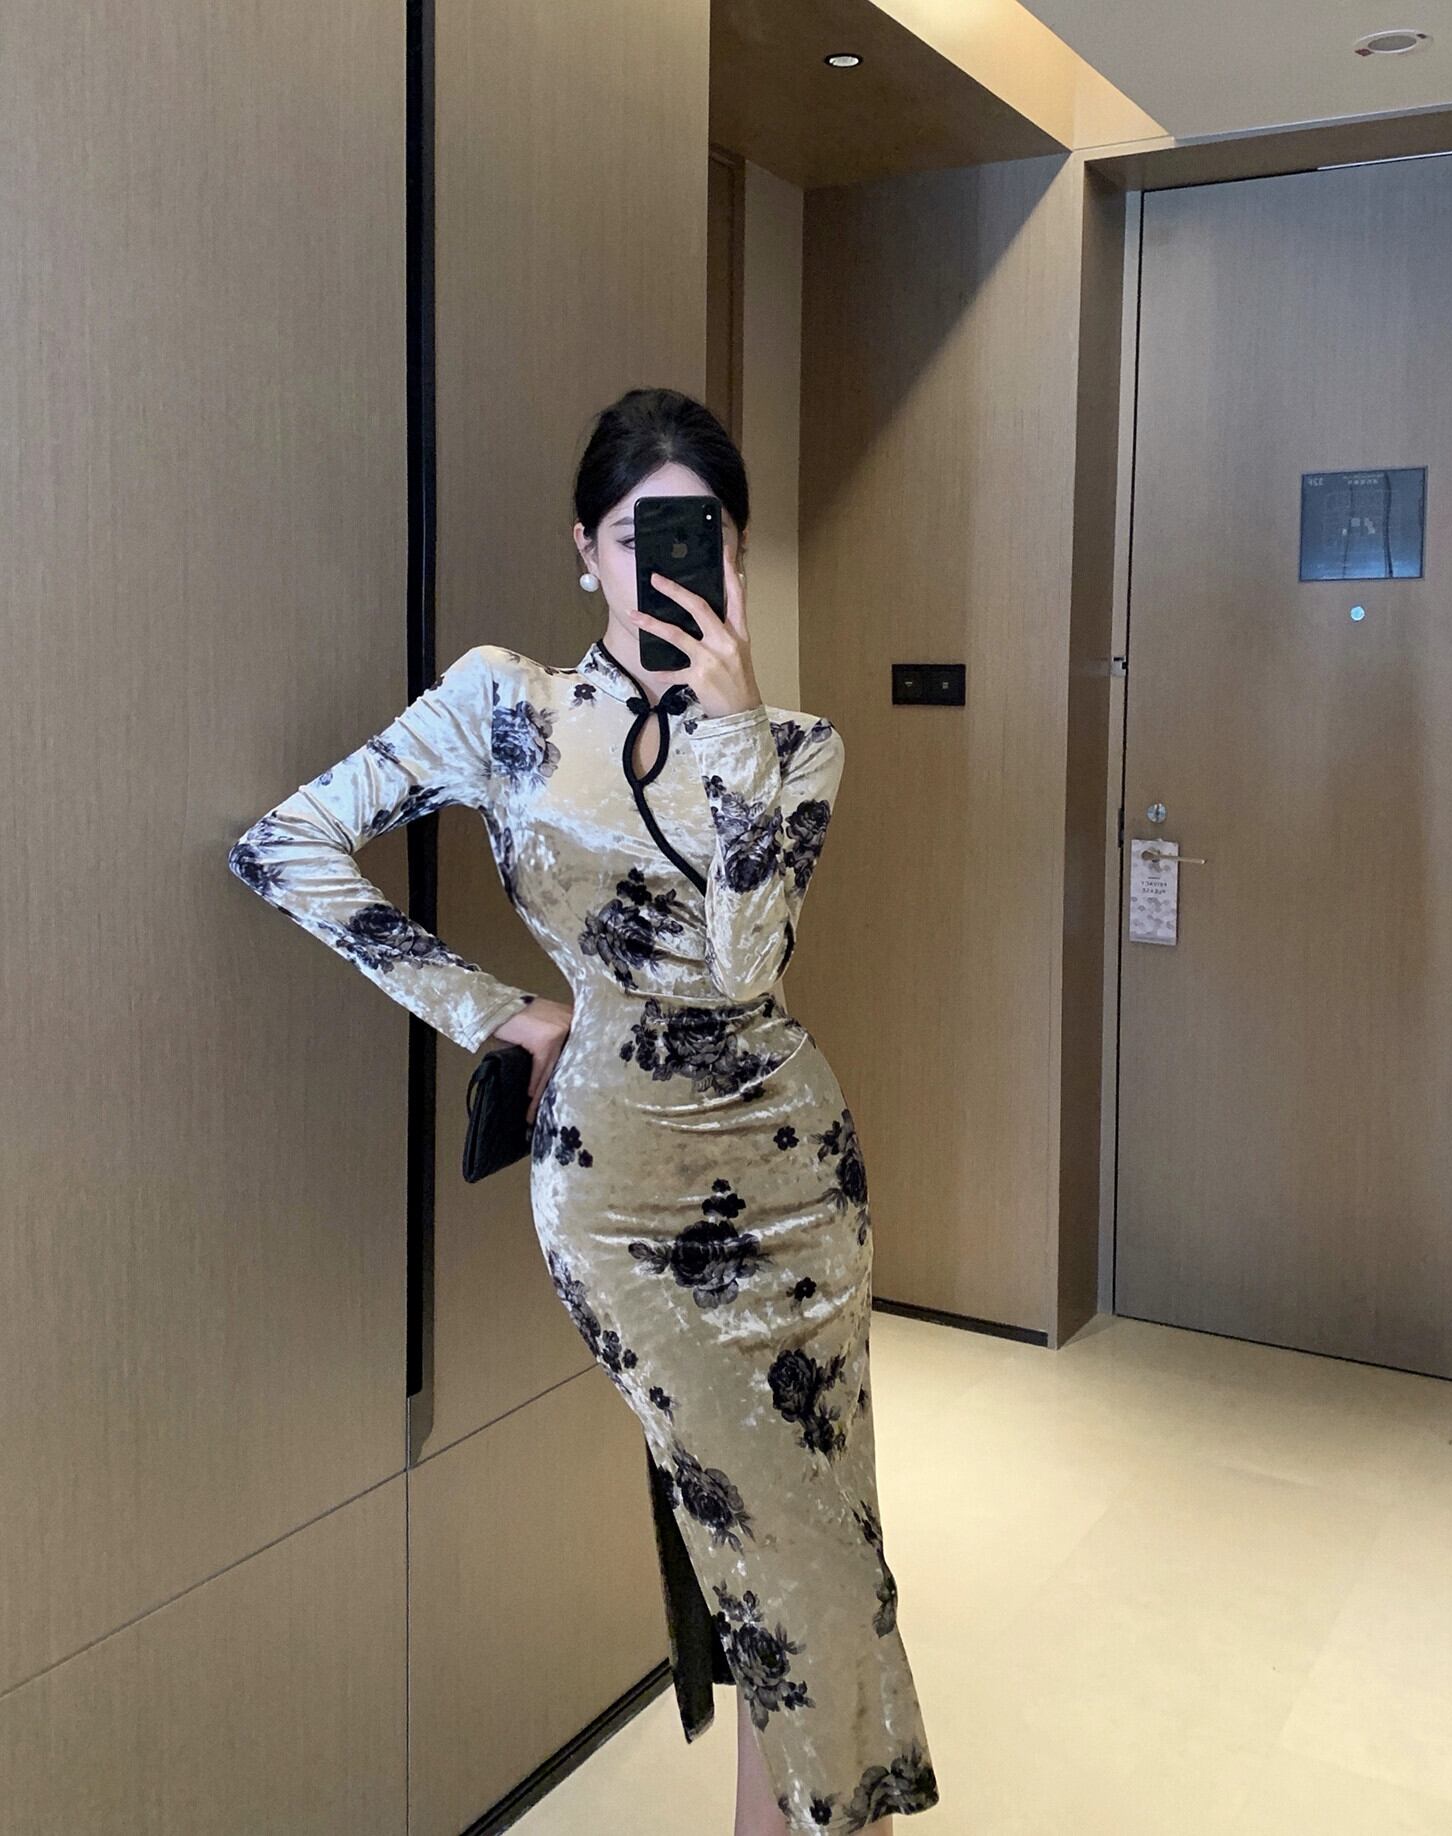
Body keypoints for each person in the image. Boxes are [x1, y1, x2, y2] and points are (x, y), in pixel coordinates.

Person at [227, 386, 939, 1835]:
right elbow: (284, 845)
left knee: (815, 1557)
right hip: (619, 1193)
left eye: (703, 536)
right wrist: (494, 1010)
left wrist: (734, 736)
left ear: (740, 554)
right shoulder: (509, 704)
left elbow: (746, 965)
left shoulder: (796, 746)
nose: (668, 565)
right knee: (781, 1554)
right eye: (636, 535)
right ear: (584, 549)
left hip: (798, 1180)